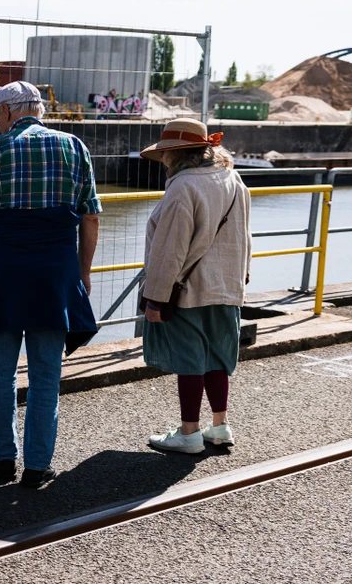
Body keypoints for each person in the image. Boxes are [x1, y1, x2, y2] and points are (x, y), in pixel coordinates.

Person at [0, 81, 101, 489]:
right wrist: (82, 271)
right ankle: (38, 467)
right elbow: (90, 217)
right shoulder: (75, 147)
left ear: (6, 112)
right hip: (54, 276)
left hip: (2, 274)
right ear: (37, 109)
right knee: (46, 375)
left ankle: (3, 459)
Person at [138, 118, 251, 454]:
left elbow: (169, 248)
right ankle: (220, 426)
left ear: (175, 154)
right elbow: (244, 234)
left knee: (190, 361)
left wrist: (155, 298)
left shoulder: (183, 186)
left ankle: (189, 434)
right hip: (227, 285)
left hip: (188, 290)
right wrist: (243, 273)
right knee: (218, 357)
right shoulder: (233, 177)